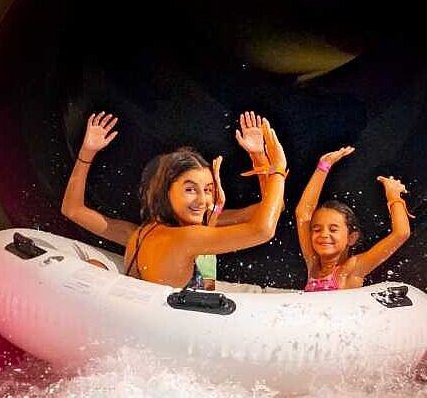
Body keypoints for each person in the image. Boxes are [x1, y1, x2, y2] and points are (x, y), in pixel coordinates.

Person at [60, 111, 288, 289]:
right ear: (165, 192)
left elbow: (72, 210)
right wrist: (276, 167)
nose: (202, 200)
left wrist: (87, 152)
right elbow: (263, 229)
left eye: (208, 189)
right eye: (190, 189)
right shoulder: (188, 237)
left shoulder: (139, 233)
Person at [294, 146, 412, 291]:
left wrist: (393, 196)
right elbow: (303, 214)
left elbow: (401, 233)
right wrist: (323, 166)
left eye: (333, 229)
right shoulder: (313, 264)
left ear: (351, 238)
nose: (324, 234)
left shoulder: (353, 268)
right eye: (317, 229)